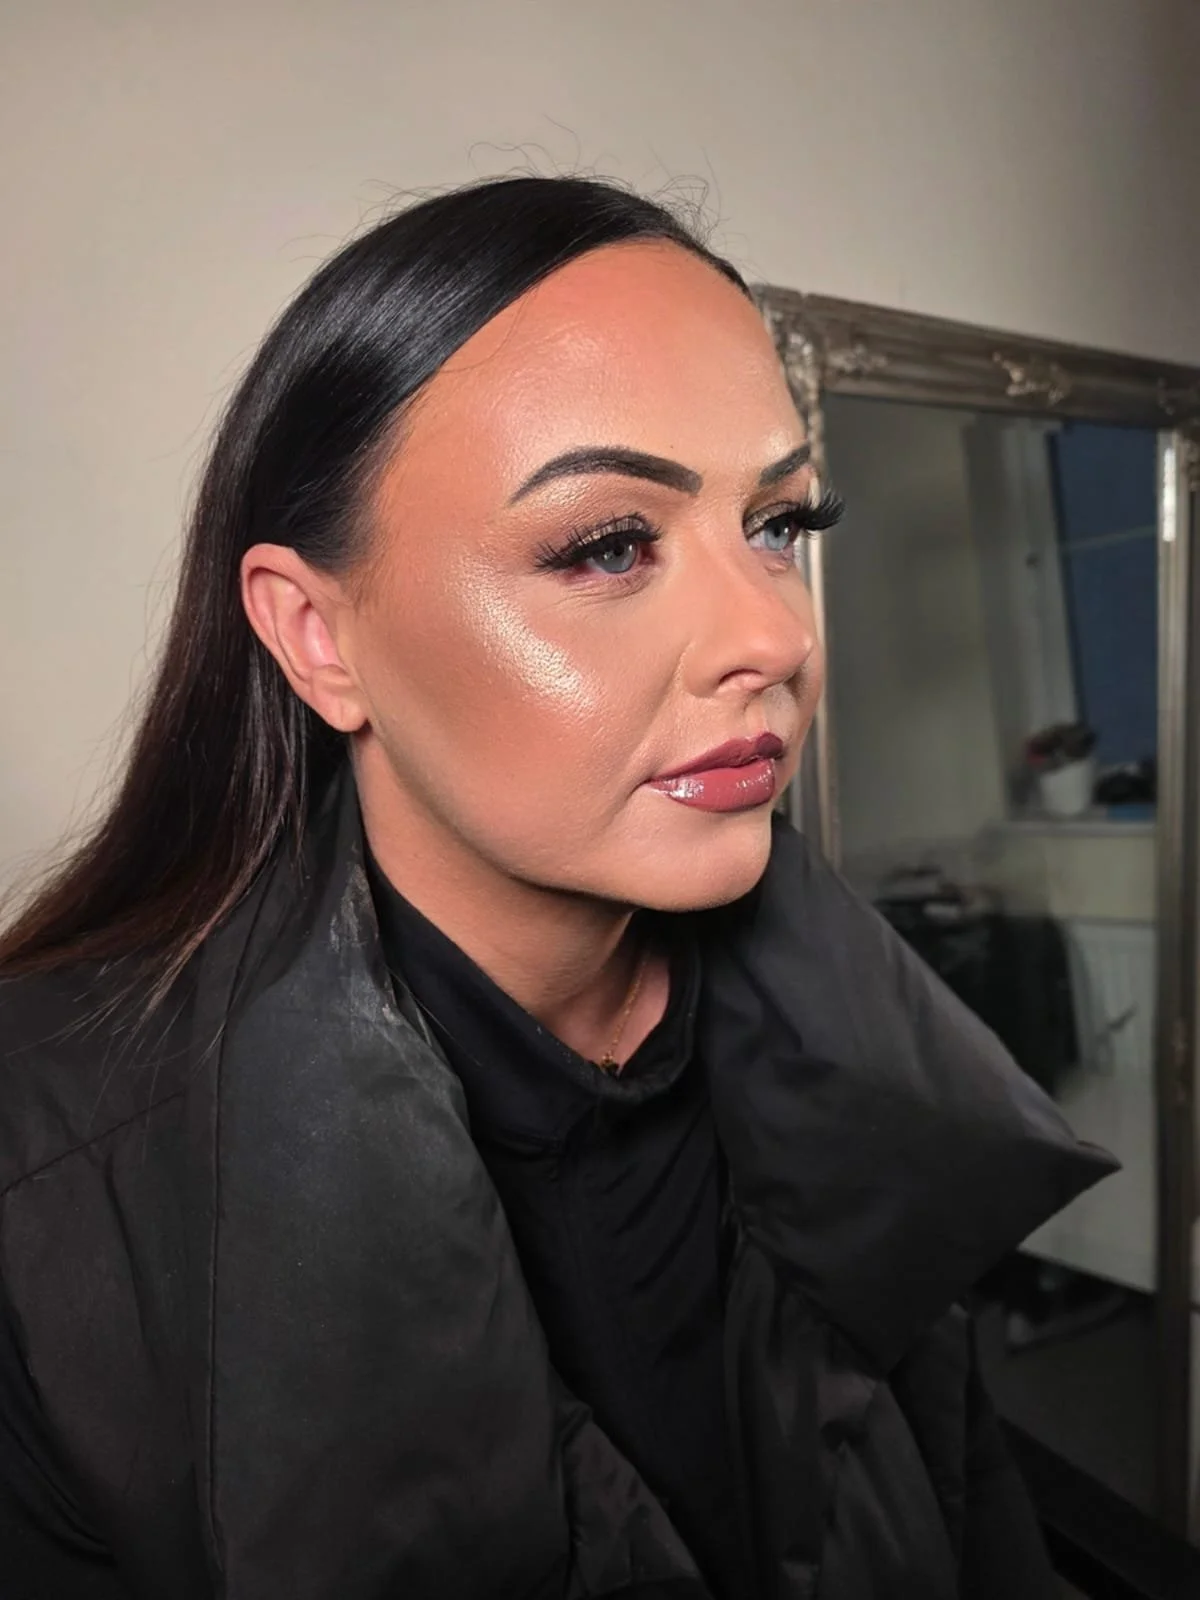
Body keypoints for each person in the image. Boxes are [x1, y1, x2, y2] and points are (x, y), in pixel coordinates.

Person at [0, 175, 1114, 1600]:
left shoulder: (866, 1058)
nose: (773, 636)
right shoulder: (45, 1195)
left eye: (780, 523)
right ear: (318, 637)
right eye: (609, 544)